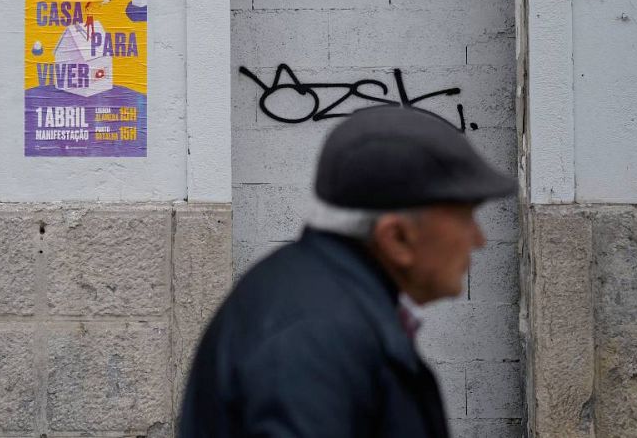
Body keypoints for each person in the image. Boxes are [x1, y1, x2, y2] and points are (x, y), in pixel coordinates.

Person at [178, 104, 517, 437]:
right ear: (396, 238)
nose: (480, 239)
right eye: (466, 218)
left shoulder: (329, 307)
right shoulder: (313, 341)